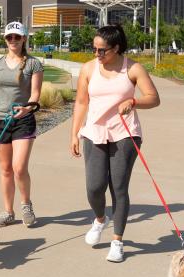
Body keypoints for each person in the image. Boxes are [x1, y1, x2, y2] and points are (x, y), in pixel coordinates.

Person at [70, 25, 160, 262]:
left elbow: (154, 98)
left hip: (125, 133)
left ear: (116, 48)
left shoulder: (133, 68)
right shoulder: (89, 69)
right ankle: (100, 219)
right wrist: (74, 133)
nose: (97, 54)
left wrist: (134, 101)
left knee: (118, 188)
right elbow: (81, 102)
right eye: (94, 49)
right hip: (94, 132)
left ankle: (117, 241)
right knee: (94, 187)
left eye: (102, 50)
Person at [0, 21, 44, 227]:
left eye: (17, 37)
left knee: (19, 168)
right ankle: (8, 212)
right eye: (9, 37)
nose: (13, 40)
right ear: (5, 39)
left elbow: (35, 93)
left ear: (24, 38)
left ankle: (26, 205)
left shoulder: (33, 64)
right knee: (5, 169)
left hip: (23, 120)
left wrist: (29, 107)